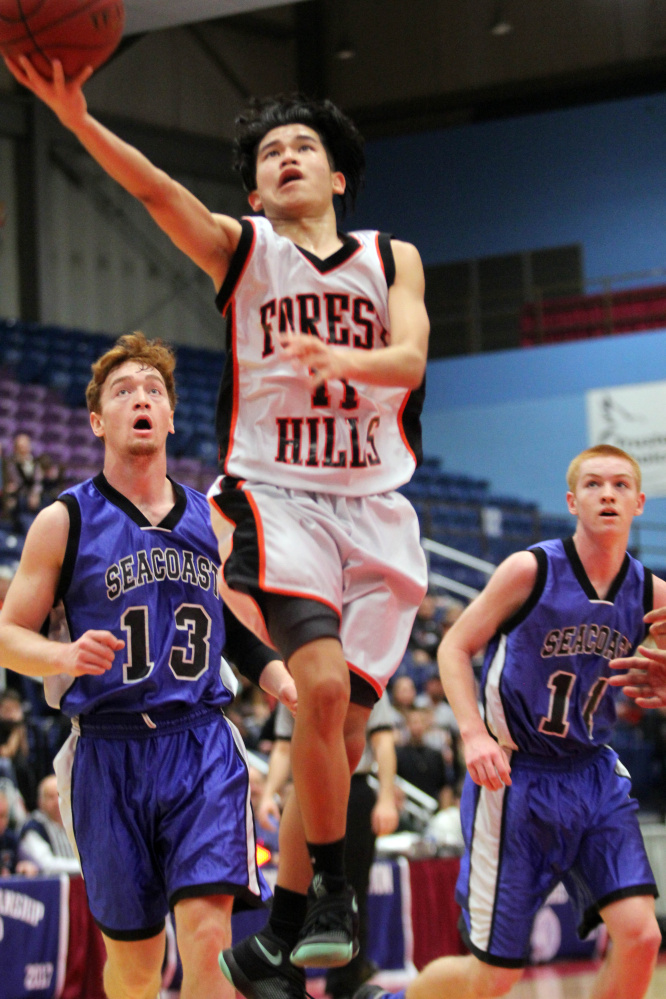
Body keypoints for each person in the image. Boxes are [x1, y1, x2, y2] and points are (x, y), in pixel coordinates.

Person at [2, 56, 429, 995]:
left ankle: (295, 922)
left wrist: (350, 362)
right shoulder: (247, 254)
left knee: (331, 750)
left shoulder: (391, 258)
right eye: (268, 151)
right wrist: (74, 117)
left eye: (303, 147)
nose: (286, 158)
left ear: (339, 173)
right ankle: (319, 914)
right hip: (261, 526)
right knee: (136, 955)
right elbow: (154, 189)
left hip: (355, 531)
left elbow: (409, 356)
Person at [0, 332, 297, 999]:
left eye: (154, 390)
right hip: (108, 751)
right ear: (98, 420)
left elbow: (234, 631)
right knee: (134, 969)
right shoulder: (64, 520)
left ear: (168, 417)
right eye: (123, 390)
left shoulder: (211, 520)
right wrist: (61, 655)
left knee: (207, 938)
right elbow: (5, 635)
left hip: (199, 744)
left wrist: (274, 672)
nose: (141, 398)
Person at [355, 444, 666, 999]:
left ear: (640, 502)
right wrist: (473, 733)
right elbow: (454, 647)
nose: (608, 494)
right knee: (495, 976)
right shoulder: (532, 569)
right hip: (517, 778)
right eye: (594, 485)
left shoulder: (651, 594)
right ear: (572, 501)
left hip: (594, 775)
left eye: (621, 485)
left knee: (641, 937)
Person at [259, 692, 400, 999]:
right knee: (296, 888)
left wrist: (387, 797)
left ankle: (345, 988)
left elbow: (383, 741)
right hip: (306, 789)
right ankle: (286, 979)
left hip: (356, 788)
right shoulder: (293, 678)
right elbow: (284, 746)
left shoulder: (367, 668)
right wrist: (269, 792)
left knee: (352, 891)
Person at [18, 773, 81, 876]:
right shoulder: (34, 828)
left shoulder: (77, 821)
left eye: (60, 795)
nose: (57, 802)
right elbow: (47, 865)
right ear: (40, 802)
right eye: (51, 797)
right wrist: (85, 866)